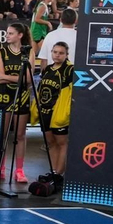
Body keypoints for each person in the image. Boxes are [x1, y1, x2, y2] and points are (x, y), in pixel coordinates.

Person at [0, 21, 33, 186]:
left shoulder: (28, 51)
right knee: (2, 135)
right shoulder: (2, 51)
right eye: (7, 33)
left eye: (10, 33)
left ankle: (19, 170)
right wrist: (18, 78)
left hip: (21, 96)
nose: (6, 36)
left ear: (20, 35)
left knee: (20, 135)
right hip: (4, 95)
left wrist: (7, 77)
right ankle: (0, 167)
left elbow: (28, 80)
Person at [33, 41, 72, 176]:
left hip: (59, 113)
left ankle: (59, 174)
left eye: (61, 53)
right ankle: (53, 171)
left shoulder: (69, 70)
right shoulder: (47, 69)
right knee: (50, 143)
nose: (57, 55)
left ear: (67, 54)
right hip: (45, 111)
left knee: (62, 143)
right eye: (55, 52)